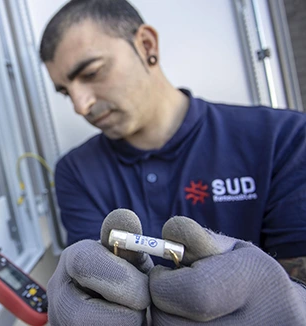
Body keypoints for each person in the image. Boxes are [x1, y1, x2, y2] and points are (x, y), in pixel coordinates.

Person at [39, 0, 306, 324]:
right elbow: (91, 286)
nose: (81, 106)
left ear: (146, 45)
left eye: (92, 72)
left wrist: (291, 302)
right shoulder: (76, 171)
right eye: (66, 92)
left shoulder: (284, 139)